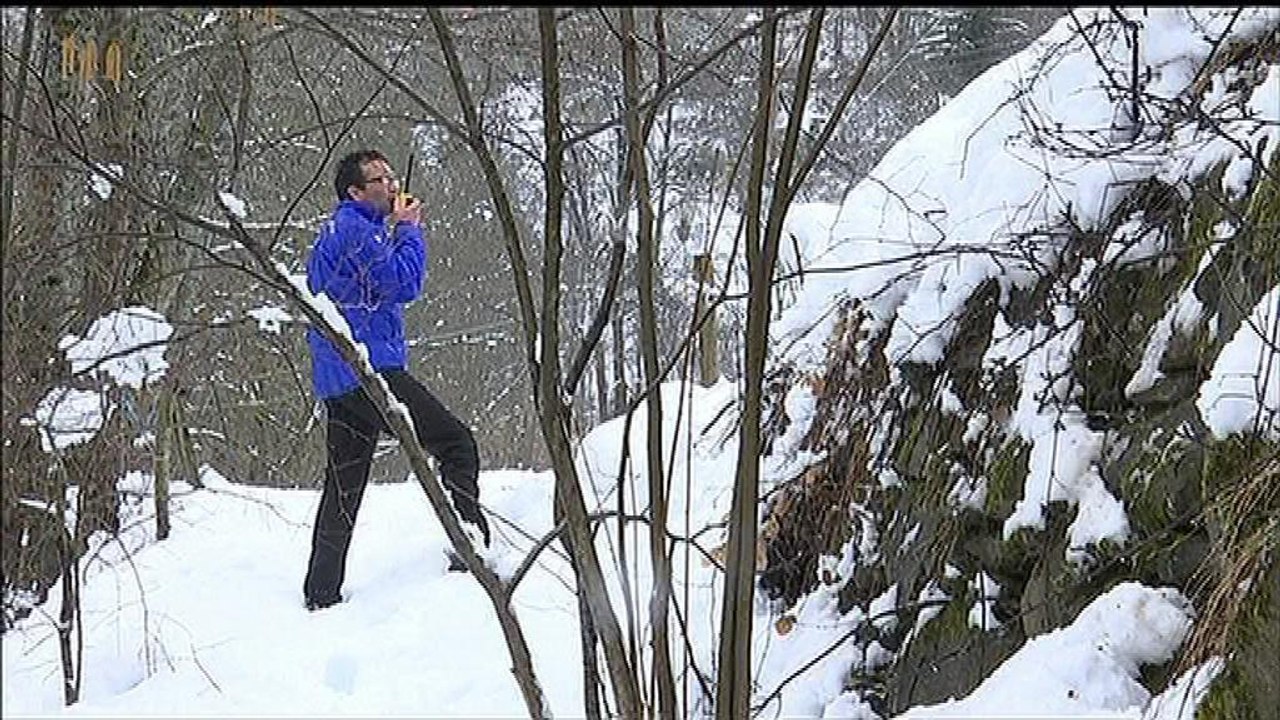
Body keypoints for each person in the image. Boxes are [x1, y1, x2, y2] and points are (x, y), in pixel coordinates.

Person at [302, 149, 490, 611]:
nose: (391, 184)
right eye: (379, 179)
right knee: (455, 443)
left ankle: (321, 593)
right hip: (368, 369)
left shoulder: (344, 229)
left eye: (390, 176)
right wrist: (409, 231)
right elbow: (404, 285)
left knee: (344, 486)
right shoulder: (356, 232)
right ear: (355, 192)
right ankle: (472, 550)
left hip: (340, 376)